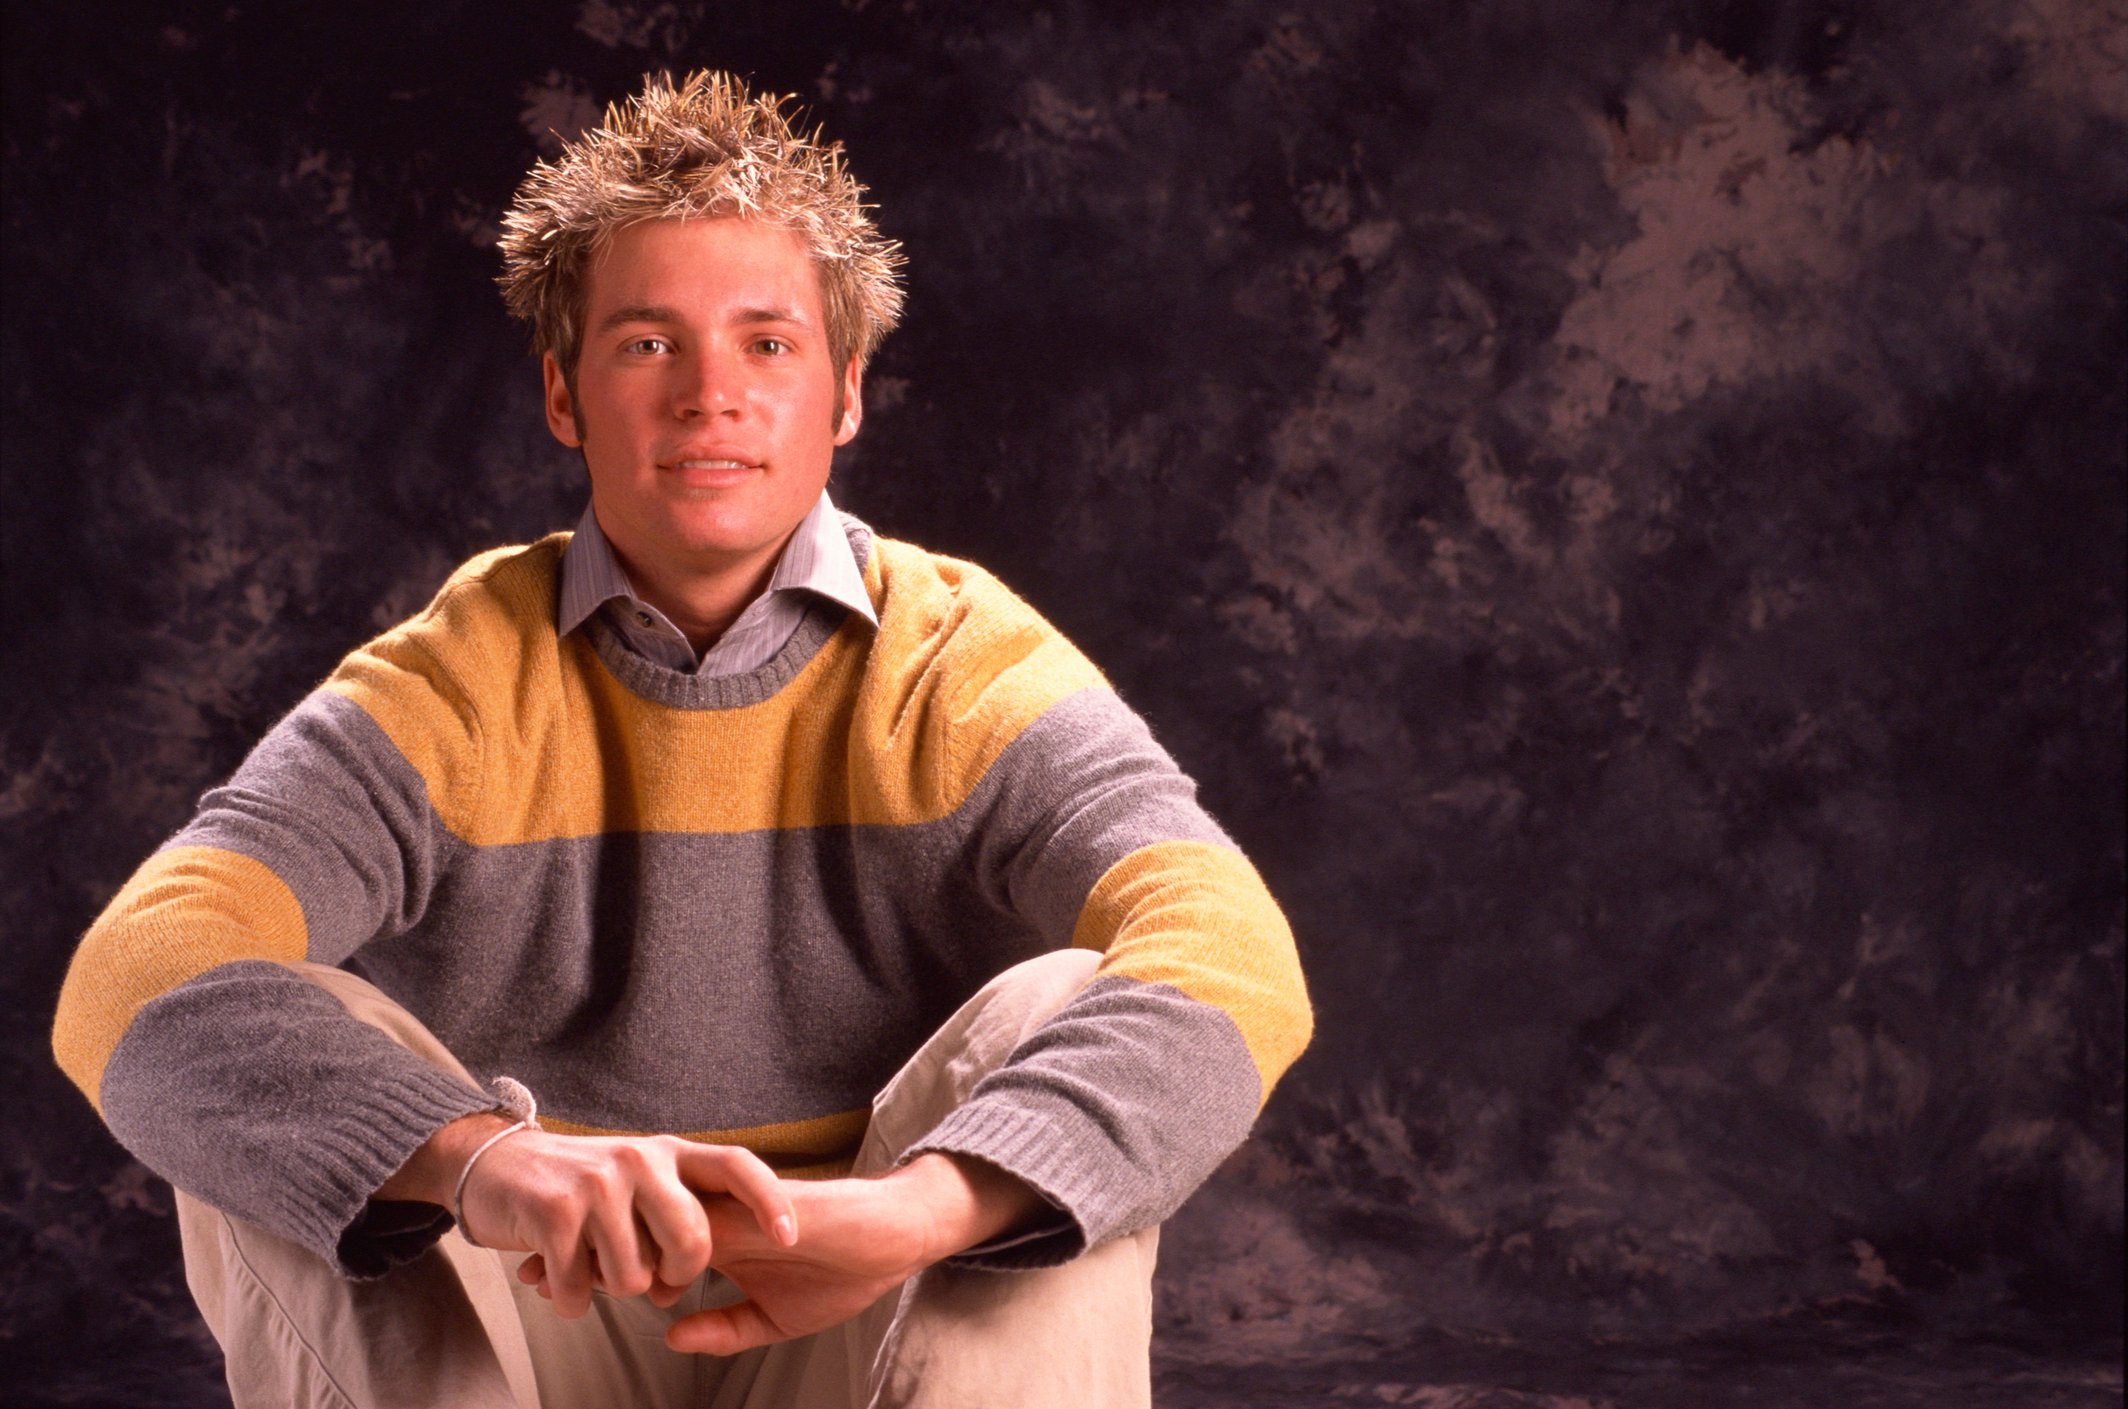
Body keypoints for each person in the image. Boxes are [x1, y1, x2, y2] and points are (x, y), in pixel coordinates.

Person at [51, 70, 1311, 1408]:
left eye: (767, 342)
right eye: (650, 343)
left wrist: (929, 1206)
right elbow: (132, 971)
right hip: (539, 1311)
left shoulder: (963, 662)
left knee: (1065, 1014)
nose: (713, 393)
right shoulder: (455, 679)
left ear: (844, 396)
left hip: (865, 1314)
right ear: (565, 395)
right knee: (280, 1078)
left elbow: (1232, 949)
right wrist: (489, 1161)